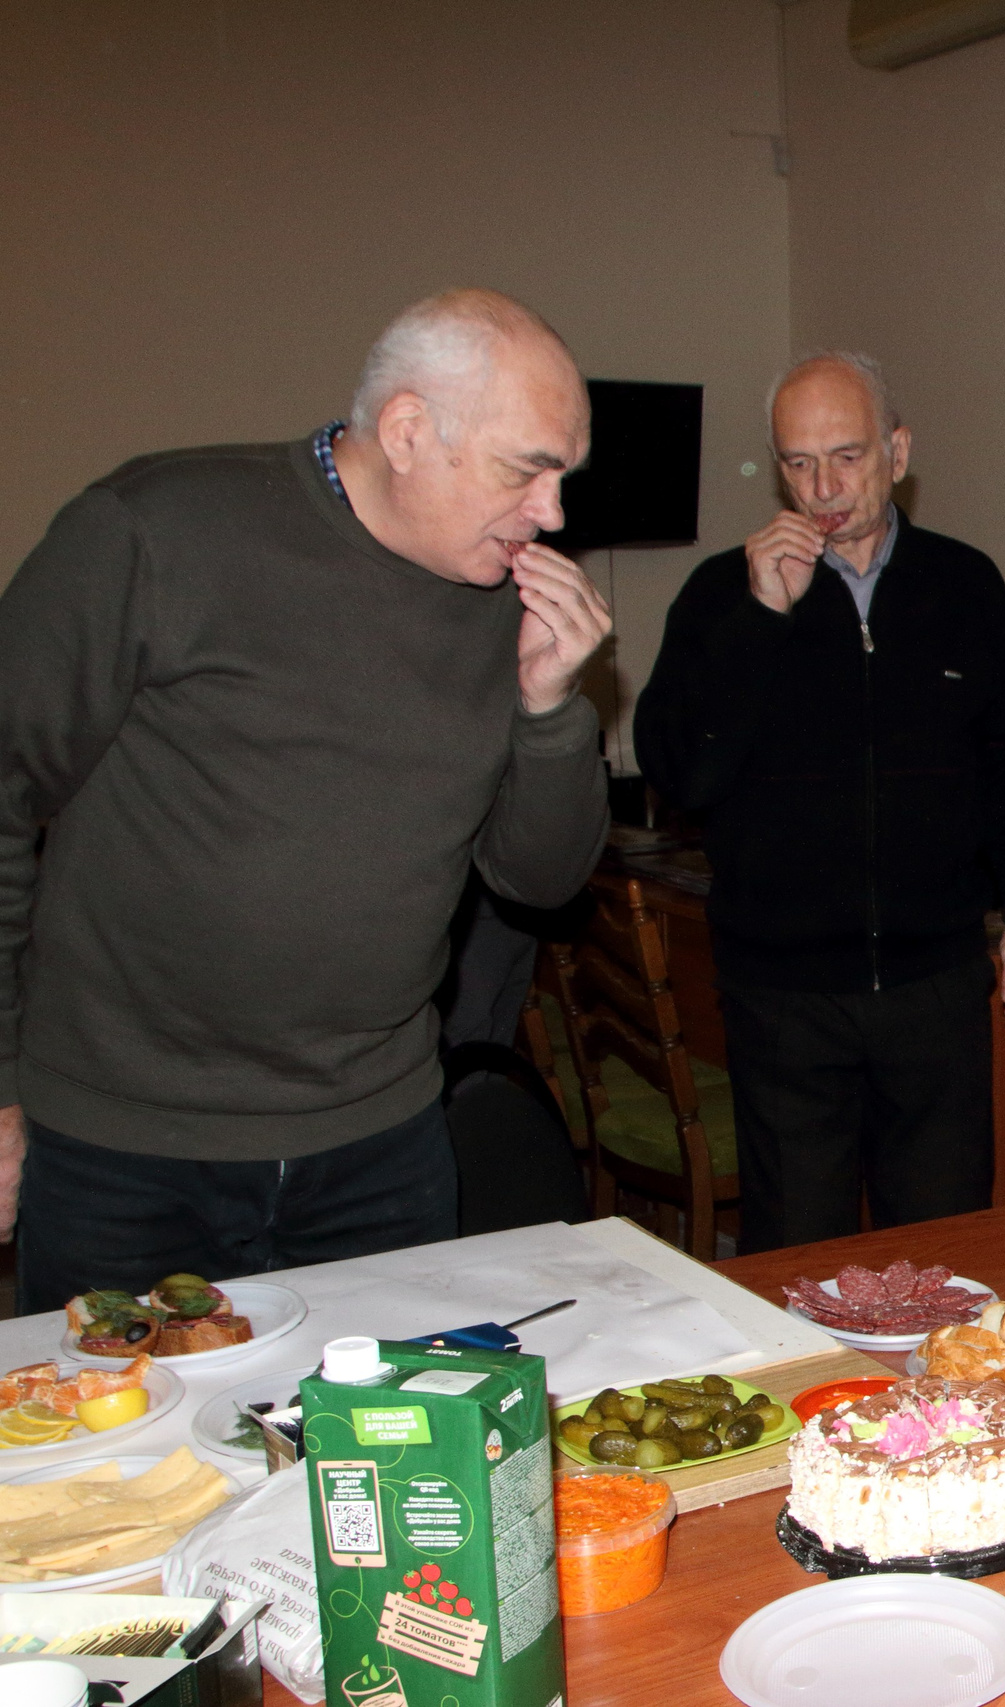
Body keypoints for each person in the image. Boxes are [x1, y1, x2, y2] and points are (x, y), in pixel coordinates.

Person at [0, 288, 612, 1312]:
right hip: (127, 1150)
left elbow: (540, 881)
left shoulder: (508, 596)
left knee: (391, 1420)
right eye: (526, 471)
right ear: (407, 432)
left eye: (564, 477)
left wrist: (550, 706)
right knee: (131, 1422)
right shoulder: (157, 530)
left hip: (380, 1143)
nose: (551, 515)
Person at [634, 352, 1005, 1248]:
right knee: (798, 1262)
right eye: (799, 463)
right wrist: (761, 619)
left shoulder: (965, 585)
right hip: (784, 999)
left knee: (941, 1256)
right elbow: (681, 773)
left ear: (897, 452)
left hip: (935, 988)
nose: (823, 488)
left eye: (846, 457)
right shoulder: (722, 595)